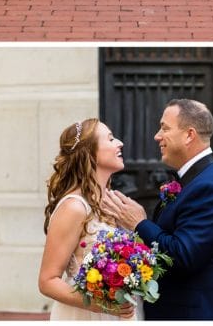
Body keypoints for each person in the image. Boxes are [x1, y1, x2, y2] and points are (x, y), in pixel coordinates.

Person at [102, 99, 213, 320]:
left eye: (165, 128)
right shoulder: (198, 179)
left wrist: (139, 223)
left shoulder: (211, 187)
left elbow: (182, 257)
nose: (157, 136)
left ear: (189, 135)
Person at [38, 118, 139, 320]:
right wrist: (100, 305)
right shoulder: (74, 207)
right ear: (90, 153)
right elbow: (47, 281)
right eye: (110, 139)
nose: (120, 142)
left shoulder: (113, 202)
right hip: (85, 314)